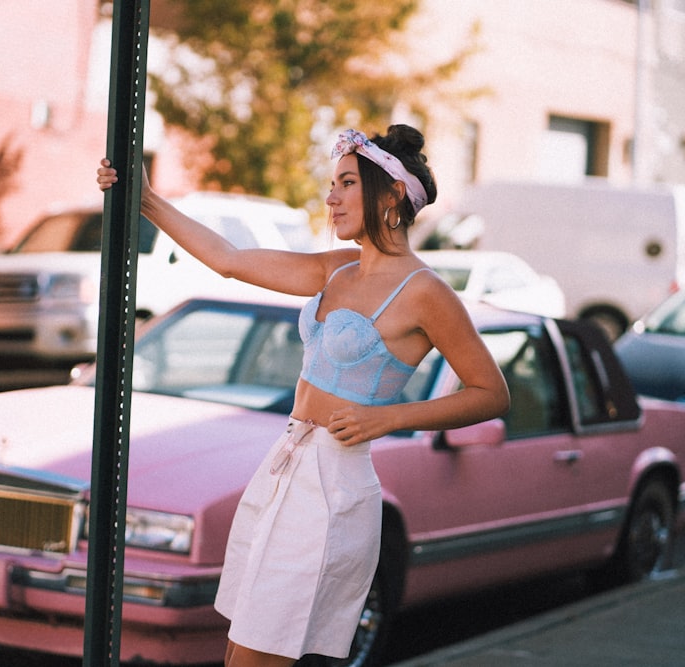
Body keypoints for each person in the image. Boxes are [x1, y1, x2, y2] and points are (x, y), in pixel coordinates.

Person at [97, 124, 509, 667]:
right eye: (331, 184)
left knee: (257, 659)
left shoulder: (426, 292)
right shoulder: (333, 268)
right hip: (285, 468)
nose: (331, 197)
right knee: (240, 653)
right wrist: (147, 200)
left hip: (334, 488)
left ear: (389, 197)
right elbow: (229, 258)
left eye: (345, 184)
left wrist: (385, 419)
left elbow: (492, 393)